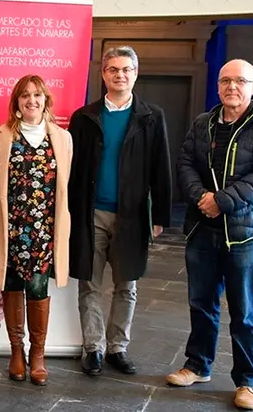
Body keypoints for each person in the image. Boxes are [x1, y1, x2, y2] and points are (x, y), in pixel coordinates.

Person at [166, 59, 253, 411]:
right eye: (225, 81)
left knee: (244, 312)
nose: (231, 87)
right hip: (203, 230)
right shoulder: (203, 123)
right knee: (201, 304)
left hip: (245, 236)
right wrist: (201, 198)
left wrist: (221, 201)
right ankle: (197, 365)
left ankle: (248, 382)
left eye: (240, 81)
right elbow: (186, 162)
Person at [67, 46, 172, 376]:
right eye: (113, 69)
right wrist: (69, 214)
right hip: (91, 213)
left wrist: (161, 217)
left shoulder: (151, 117)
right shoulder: (84, 117)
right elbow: (72, 171)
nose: (120, 75)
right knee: (89, 284)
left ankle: (118, 347)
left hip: (133, 215)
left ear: (135, 73)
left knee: (127, 285)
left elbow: (161, 168)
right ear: (104, 74)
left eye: (126, 70)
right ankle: (93, 348)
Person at [0, 74, 72, 385]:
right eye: (25, 95)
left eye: (38, 95)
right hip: (12, 228)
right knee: (13, 286)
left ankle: (38, 355)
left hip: (44, 229)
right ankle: (16, 351)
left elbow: (64, 187)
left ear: (46, 100)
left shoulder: (61, 138)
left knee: (38, 288)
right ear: (16, 102)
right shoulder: (0, 137)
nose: (32, 100)